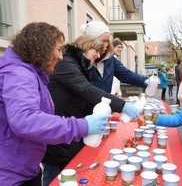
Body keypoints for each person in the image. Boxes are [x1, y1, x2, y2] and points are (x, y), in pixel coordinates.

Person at [0, 22, 111, 185]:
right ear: (42, 48)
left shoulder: (34, 74)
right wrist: (80, 126)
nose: (60, 56)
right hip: (12, 174)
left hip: (26, 167)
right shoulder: (19, 75)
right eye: (59, 49)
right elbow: (26, 120)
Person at [42, 34, 140, 185]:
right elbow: (86, 90)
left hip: (68, 125)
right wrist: (122, 105)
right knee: (54, 174)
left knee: (67, 172)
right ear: (87, 46)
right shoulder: (66, 64)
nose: (99, 55)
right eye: (97, 50)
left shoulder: (80, 65)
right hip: (58, 126)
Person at [80, 21, 150, 94]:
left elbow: (125, 74)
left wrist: (144, 80)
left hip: (105, 102)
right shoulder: (79, 60)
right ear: (91, 41)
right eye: (103, 41)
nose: (106, 45)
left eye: (107, 41)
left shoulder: (110, 59)